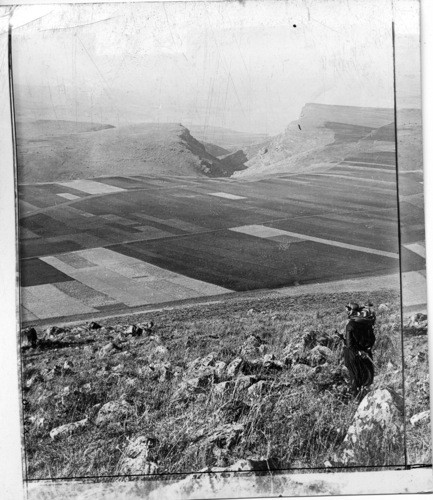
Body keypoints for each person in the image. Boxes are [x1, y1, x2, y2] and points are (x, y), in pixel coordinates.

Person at [341, 302, 376, 397]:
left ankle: (356, 398)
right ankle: (367, 396)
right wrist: (366, 349)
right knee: (366, 376)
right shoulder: (368, 322)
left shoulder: (350, 325)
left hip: (354, 355)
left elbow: (349, 344)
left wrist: (357, 351)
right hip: (366, 354)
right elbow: (372, 339)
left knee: (354, 377)